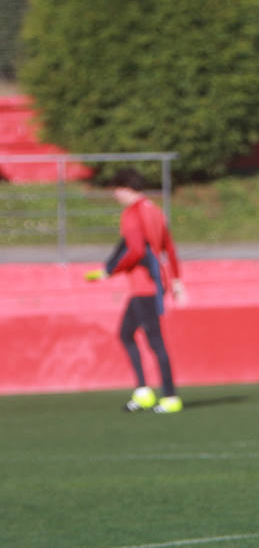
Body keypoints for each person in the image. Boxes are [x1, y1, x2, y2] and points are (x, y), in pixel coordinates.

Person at [84, 168, 186, 413]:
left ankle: (170, 397)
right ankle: (143, 392)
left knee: (154, 341)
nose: (115, 195)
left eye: (117, 190)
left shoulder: (132, 214)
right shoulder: (155, 210)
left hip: (145, 286)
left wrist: (111, 271)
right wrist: (176, 279)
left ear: (126, 189)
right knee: (125, 333)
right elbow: (168, 247)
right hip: (153, 284)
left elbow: (136, 251)